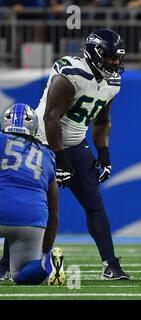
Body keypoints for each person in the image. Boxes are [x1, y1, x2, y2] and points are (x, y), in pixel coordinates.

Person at [0, 29, 130, 280]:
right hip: (42, 142)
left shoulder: (113, 82)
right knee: (33, 203)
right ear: (95, 54)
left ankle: (110, 265)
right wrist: (60, 157)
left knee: (95, 204)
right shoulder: (71, 73)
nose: (115, 63)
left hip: (74, 142)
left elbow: (102, 122)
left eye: (118, 58)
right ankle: (6, 263)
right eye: (111, 57)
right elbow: (51, 117)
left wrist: (104, 153)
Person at [0, 103, 64, 286]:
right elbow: (54, 213)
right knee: (22, 275)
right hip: (31, 218)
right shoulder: (47, 155)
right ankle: (45, 264)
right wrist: (45, 251)